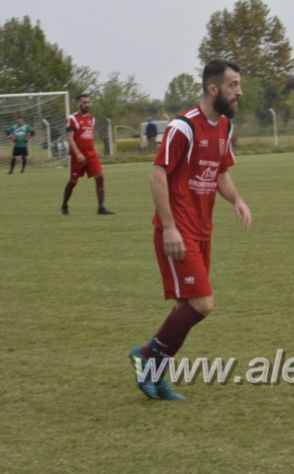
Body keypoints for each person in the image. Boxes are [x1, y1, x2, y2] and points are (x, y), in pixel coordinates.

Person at [129, 59, 252, 400]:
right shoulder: (183, 127)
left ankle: (155, 374)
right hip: (179, 231)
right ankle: (146, 356)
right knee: (202, 304)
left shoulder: (224, 126)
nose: (239, 91)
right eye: (233, 85)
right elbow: (157, 176)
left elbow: (221, 173)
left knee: (187, 307)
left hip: (202, 230)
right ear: (214, 89)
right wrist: (169, 228)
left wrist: (237, 200)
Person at [60, 94, 114, 215]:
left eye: (88, 102)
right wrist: (78, 153)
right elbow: (70, 138)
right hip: (77, 156)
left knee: (100, 177)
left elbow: (89, 136)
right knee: (73, 181)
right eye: (84, 102)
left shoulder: (91, 119)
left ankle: (101, 207)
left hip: (91, 154)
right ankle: (64, 205)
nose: (87, 105)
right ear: (78, 104)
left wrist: (94, 150)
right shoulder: (72, 118)